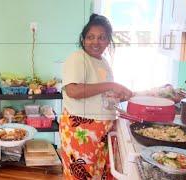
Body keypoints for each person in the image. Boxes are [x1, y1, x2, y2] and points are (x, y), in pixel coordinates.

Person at [60, 14, 133, 180]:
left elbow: (101, 96)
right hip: (82, 130)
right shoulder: (78, 58)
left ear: (108, 41)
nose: (95, 42)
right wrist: (112, 85)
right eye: (90, 37)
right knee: (82, 175)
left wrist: (121, 96)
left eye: (102, 38)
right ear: (83, 39)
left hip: (103, 129)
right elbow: (73, 91)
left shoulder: (103, 62)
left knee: (100, 175)